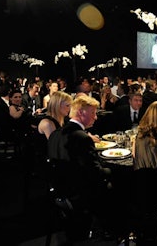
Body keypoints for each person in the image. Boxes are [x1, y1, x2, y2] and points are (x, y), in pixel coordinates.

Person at [47, 95, 115, 238]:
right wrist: (112, 170)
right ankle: (110, 229)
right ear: (80, 112)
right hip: (78, 193)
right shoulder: (82, 138)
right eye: (93, 113)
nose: (96, 117)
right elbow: (95, 173)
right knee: (117, 182)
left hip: (59, 190)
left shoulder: (55, 134)